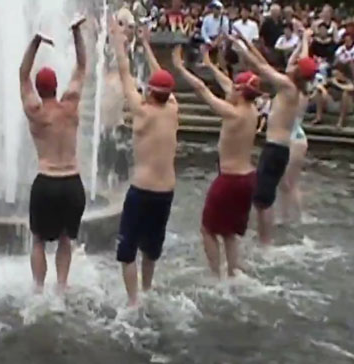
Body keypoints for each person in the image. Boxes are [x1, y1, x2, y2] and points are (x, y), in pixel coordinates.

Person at [173, 46, 260, 278]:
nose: (229, 89)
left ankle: (216, 277)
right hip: (248, 178)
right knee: (229, 231)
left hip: (230, 179)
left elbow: (202, 90)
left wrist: (180, 68)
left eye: (235, 88)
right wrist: (210, 65)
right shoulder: (253, 110)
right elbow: (228, 85)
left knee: (207, 229)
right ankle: (233, 272)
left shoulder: (233, 114)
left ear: (240, 93)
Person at [110, 22, 178, 306]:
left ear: (149, 92)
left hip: (142, 190)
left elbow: (125, 72)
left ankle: (133, 300)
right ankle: (147, 290)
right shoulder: (174, 109)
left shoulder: (141, 111)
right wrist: (147, 46)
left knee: (127, 250)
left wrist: (118, 42)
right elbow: (163, 80)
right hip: (166, 191)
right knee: (151, 247)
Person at [229, 28, 316, 245]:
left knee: (262, 200)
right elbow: (266, 63)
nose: (293, 63)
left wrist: (241, 48)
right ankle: (265, 236)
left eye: (296, 64)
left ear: (297, 72)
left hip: (275, 148)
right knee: (263, 197)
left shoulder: (288, 86)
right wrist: (247, 43)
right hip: (280, 148)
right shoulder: (296, 86)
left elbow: (261, 68)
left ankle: (265, 242)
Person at [19, 17, 86, 294]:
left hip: (46, 181)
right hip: (72, 182)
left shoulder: (35, 111)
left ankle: (38, 288)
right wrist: (76, 33)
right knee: (64, 239)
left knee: (37, 240)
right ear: (57, 86)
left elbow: (22, 75)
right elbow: (82, 66)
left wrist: (35, 41)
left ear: (39, 88)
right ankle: (61, 286)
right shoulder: (70, 105)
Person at [278, 94, 308, 223]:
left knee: (288, 183)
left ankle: (298, 216)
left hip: (293, 140)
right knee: (286, 184)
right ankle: (287, 214)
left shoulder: (296, 95)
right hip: (295, 137)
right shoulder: (299, 94)